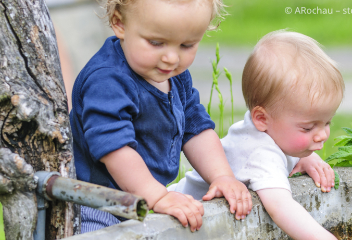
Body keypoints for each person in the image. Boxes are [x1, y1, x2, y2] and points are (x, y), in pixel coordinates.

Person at [69, 0, 252, 233]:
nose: (172, 58)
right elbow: (114, 148)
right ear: (119, 23)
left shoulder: (173, 75)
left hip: (145, 198)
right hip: (97, 203)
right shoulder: (107, 80)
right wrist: (157, 196)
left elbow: (195, 128)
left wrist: (222, 176)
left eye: (187, 45)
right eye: (156, 43)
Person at [168, 30, 344, 239]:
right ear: (261, 118)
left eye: (327, 122)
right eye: (308, 128)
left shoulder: (271, 130)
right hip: (175, 222)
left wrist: (305, 158)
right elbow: (281, 208)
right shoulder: (259, 152)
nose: (322, 134)